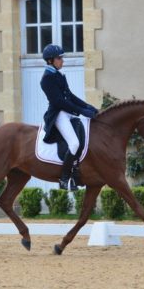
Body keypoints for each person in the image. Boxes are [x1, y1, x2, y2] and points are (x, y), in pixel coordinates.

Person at [40, 44, 98, 191]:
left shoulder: (59, 75)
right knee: (74, 144)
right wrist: (82, 111)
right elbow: (59, 102)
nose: (62, 61)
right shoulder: (46, 79)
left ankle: (76, 175)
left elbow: (70, 96)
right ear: (50, 61)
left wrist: (88, 107)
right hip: (58, 114)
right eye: (59, 58)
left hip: (67, 112)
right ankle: (64, 178)